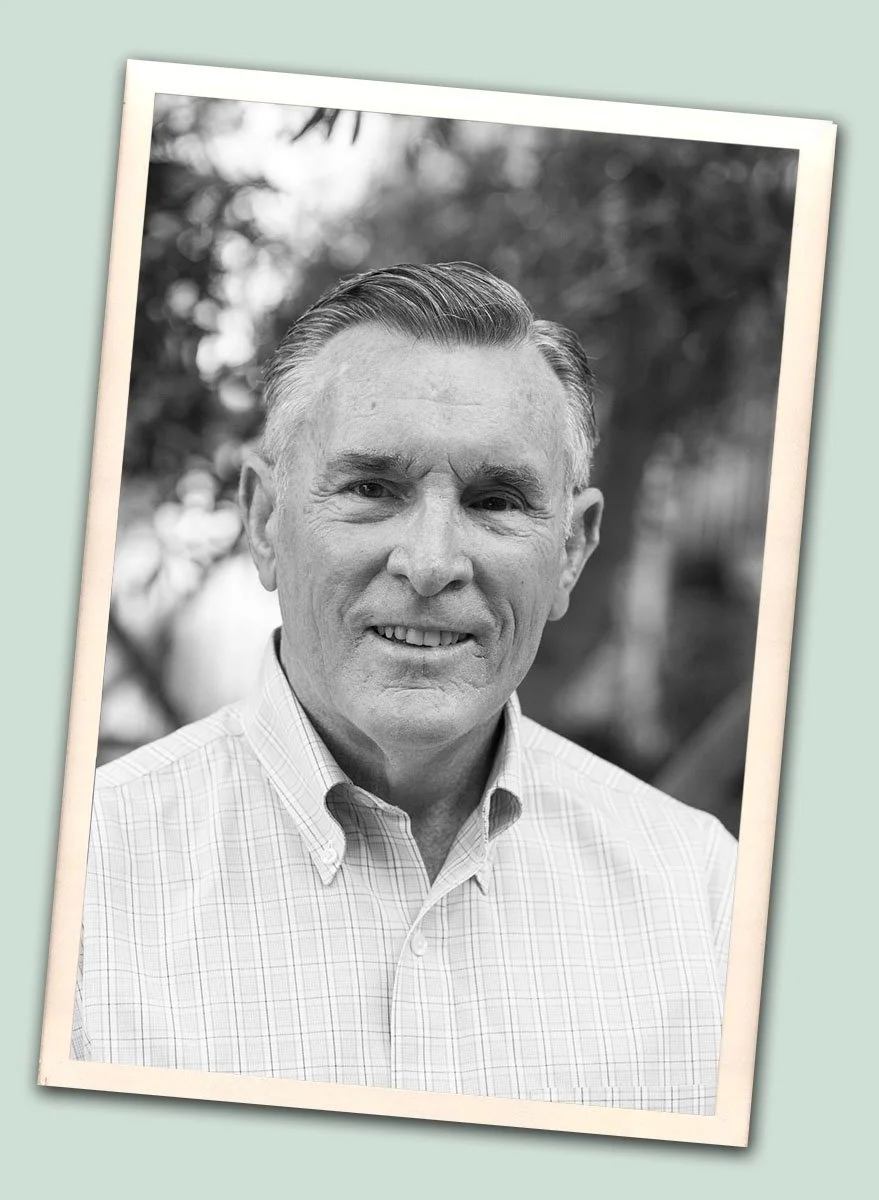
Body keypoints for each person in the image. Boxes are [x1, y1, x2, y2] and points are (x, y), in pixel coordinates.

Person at [73, 262, 737, 1115]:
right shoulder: (78, 883)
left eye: (495, 500)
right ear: (265, 520)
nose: (430, 564)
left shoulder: (704, 897)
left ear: (571, 551)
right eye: (372, 489)